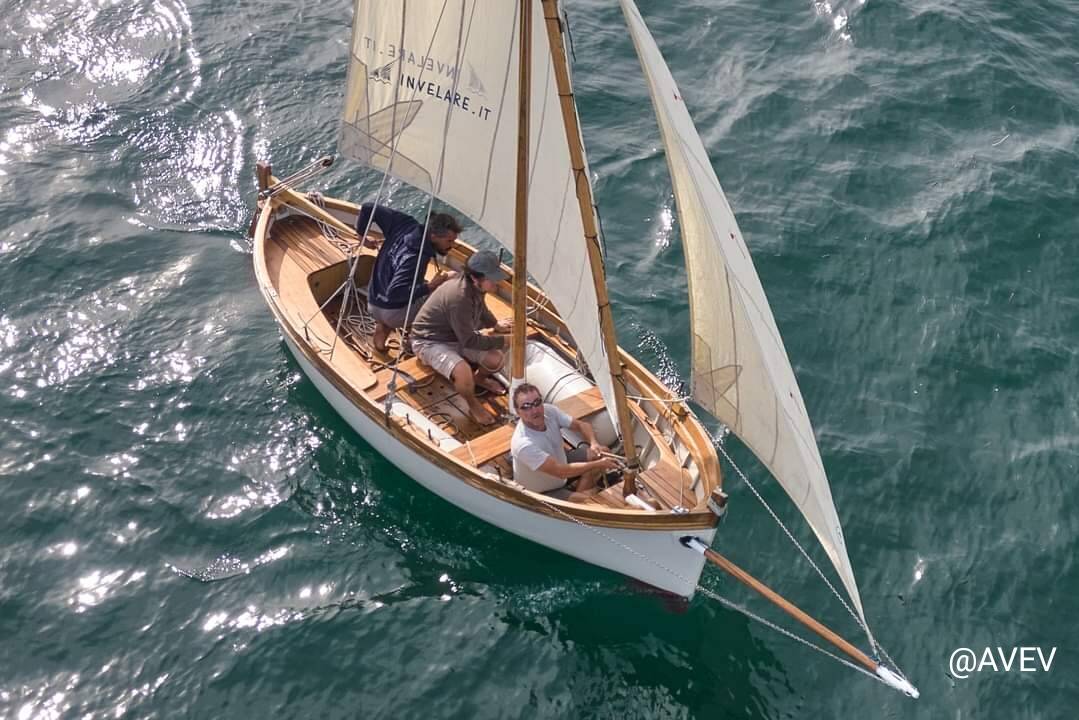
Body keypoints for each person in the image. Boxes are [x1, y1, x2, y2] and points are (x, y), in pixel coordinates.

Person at [410, 250, 511, 426]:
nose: (497, 283)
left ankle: (479, 379)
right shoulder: (459, 297)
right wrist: (504, 340)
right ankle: (473, 405)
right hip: (428, 341)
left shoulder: (476, 287)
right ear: (475, 278)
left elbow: (482, 308)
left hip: (455, 335)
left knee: (496, 359)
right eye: (492, 278)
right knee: (463, 370)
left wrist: (495, 325)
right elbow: (469, 341)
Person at [356, 203, 463, 353]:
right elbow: (395, 293)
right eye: (449, 241)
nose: (451, 246)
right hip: (393, 312)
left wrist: (362, 238)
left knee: (413, 289)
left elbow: (368, 207)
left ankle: (380, 340)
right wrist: (430, 286)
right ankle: (415, 338)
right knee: (448, 282)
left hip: (373, 303)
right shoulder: (415, 259)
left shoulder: (404, 223)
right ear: (433, 236)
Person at [509, 382, 621, 495]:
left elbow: (581, 425)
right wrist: (598, 464)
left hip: (562, 463)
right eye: (526, 407)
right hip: (543, 491)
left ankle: (586, 486)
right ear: (518, 412)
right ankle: (590, 490)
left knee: (604, 452)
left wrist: (594, 443)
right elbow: (560, 471)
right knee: (586, 500)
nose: (534, 410)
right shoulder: (523, 444)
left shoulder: (549, 411)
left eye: (537, 403)